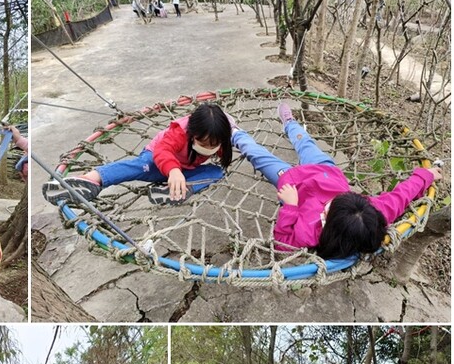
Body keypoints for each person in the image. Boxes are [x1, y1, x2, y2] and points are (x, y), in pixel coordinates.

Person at [232, 103, 442, 259]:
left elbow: (282, 243)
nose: (329, 204)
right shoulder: (372, 215)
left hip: (294, 186)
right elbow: (401, 195)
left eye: (329, 208)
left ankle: (236, 133)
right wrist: (427, 175)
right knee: (304, 142)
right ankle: (289, 122)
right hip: (325, 172)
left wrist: (291, 205)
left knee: (258, 155)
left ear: (330, 226)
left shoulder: (308, 233)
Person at [42, 102, 234, 205]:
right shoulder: (180, 131)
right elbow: (162, 150)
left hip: (184, 171)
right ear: (192, 134)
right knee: (140, 166)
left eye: (214, 144)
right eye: (203, 143)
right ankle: (90, 180)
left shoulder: (221, 137)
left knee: (216, 173)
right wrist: (173, 171)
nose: (209, 148)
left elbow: (237, 141)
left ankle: (179, 190)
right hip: (158, 161)